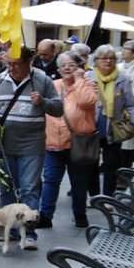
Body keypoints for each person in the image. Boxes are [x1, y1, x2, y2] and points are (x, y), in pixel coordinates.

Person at [0, 46, 63, 251]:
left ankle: (30, 234)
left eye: (17, 64)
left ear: (29, 63)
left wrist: (43, 102)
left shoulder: (42, 80)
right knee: (7, 188)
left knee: (29, 189)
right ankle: (11, 230)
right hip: (4, 144)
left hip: (32, 145)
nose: (12, 68)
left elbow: (59, 108)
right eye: (9, 64)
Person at [38, 52, 97, 230]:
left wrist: (79, 80)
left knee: (78, 182)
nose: (66, 68)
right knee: (50, 180)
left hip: (77, 143)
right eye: (63, 65)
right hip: (53, 142)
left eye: (71, 64)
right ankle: (45, 215)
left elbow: (87, 102)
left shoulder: (88, 85)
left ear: (80, 67)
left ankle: (80, 215)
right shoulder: (53, 85)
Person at [86, 44, 134, 197]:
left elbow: (131, 105)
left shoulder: (122, 79)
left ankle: (108, 196)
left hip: (113, 128)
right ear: (96, 60)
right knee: (91, 165)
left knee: (111, 164)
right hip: (90, 127)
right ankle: (94, 196)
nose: (108, 62)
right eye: (104, 59)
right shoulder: (88, 77)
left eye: (112, 58)